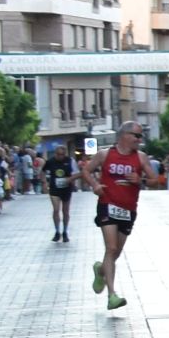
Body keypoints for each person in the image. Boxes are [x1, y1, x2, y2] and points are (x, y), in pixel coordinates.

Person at [84, 121, 154, 311]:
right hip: (107, 205)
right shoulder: (105, 154)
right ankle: (112, 295)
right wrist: (95, 185)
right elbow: (86, 170)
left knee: (115, 253)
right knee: (111, 247)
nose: (139, 140)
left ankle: (100, 270)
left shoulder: (141, 157)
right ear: (124, 135)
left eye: (141, 137)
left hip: (128, 209)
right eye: (136, 136)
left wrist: (141, 180)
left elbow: (155, 180)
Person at [42, 147, 76, 243]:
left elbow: (78, 173)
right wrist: (44, 182)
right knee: (56, 210)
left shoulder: (70, 161)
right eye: (58, 154)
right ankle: (57, 231)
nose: (60, 156)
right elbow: (42, 171)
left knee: (65, 211)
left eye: (62, 154)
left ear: (65, 154)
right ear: (55, 153)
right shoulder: (50, 161)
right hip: (54, 189)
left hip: (66, 189)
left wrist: (70, 179)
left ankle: (65, 231)